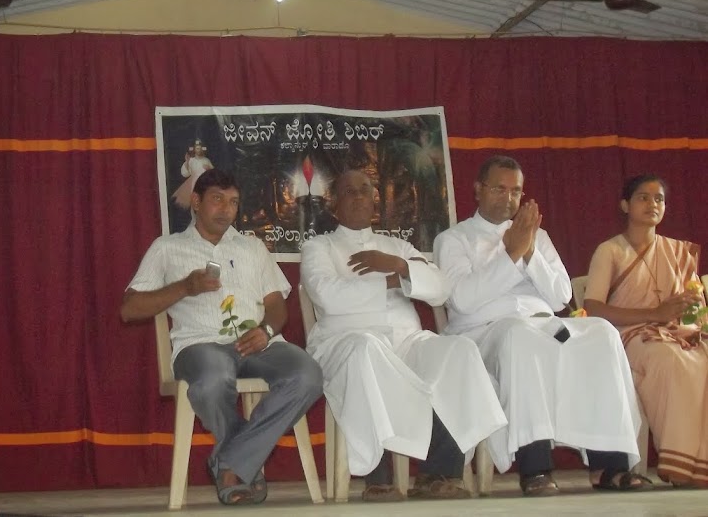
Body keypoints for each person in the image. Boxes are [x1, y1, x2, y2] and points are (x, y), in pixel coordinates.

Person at [433, 155, 649, 496]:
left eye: (516, 191)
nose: (508, 198)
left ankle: (609, 465)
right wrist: (511, 255)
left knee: (602, 333)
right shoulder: (454, 239)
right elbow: (463, 300)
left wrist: (529, 252)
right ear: (478, 190)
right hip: (486, 332)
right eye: (499, 189)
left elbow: (561, 296)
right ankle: (535, 467)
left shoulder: (538, 236)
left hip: (545, 326)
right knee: (519, 335)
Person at [301, 170, 506, 501]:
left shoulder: (397, 247)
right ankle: (378, 478)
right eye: (349, 191)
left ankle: (439, 472)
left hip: (406, 342)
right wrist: (392, 281)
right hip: (346, 341)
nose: (359, 197)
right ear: (334, 204)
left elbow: (439, 289)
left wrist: (400, 265)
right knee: (367, 349)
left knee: (460, 350)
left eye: (365, 190)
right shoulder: (318, 247)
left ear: (375, 200)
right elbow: (328, 296)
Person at [122, 169, 323, 505]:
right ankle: (239, 465)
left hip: (259, 344)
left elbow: (276, 306)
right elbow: (130, 309)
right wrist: (185, 287)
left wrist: (266, 331)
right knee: (213, 379)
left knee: (308, 375)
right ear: (196, 201)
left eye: (233, 202)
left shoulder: (253, 247)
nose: (226, 209)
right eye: (217, 199)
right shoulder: (167, 247)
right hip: (201, 346)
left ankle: (231, 461)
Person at [584, 174, 708, 488]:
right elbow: (593, 308)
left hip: (677, 333)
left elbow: (696, 309)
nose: (652, 204)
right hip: (630, 335)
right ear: (625, 205)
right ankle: (681, 464)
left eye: (659, 199)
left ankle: (702, 463)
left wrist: (690, 308)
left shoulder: (678, 251)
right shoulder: (610, 250)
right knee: (670, 360)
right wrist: (655, 314)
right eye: (643, 197)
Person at [171, 138, 214, 209]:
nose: (198, 150)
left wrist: (209, 169)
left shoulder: (206, 160)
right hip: (194, 184)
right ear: (194, 149)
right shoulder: (191, 161)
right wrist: (187, 162)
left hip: (205, 184)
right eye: (197, 148)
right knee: (195, 201)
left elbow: (214, 173)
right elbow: (185, 174)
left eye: (200, 148)